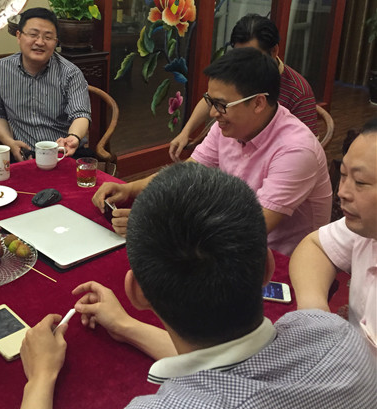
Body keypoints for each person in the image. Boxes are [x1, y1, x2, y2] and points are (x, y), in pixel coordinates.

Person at [9, 164, 375, 409]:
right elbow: (228, 359)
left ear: (137, 293)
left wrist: (40, 379)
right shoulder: (339, 335)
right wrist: (126, 327)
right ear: (268, 268)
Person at [94, 47, 332, 255]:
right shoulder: (229, 125)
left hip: (278, 265)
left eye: (221, 105)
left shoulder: (296, 150)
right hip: (222, 242)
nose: (212, 113)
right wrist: (130, 189)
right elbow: (187, 174)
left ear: (258, 102)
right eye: (210, 101)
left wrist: (157, 223)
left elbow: (250, 229)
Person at [169, 13, 318, 161]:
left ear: (274, 51)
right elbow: (212, 100)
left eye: (251, 56)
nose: (243, 63)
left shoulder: (299, 92)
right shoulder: (236, 76)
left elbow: (307, 148)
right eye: (238, 54)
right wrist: (186, 132)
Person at [289, 118, 377, 355]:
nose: (342, 192)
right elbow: (315, 246)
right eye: (344, 175)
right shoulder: (365, 227)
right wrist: (315, 311)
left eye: (360, 182)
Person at [0, 7, 91, 162]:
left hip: (63, 153)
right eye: (33, 35)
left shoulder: (70, 73)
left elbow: (81, 114)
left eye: (48, 37)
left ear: (56, 42)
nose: (40, 42)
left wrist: (73, 137)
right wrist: (9, 142)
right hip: (21, 153)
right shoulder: (0, 69)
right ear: (19, 36)